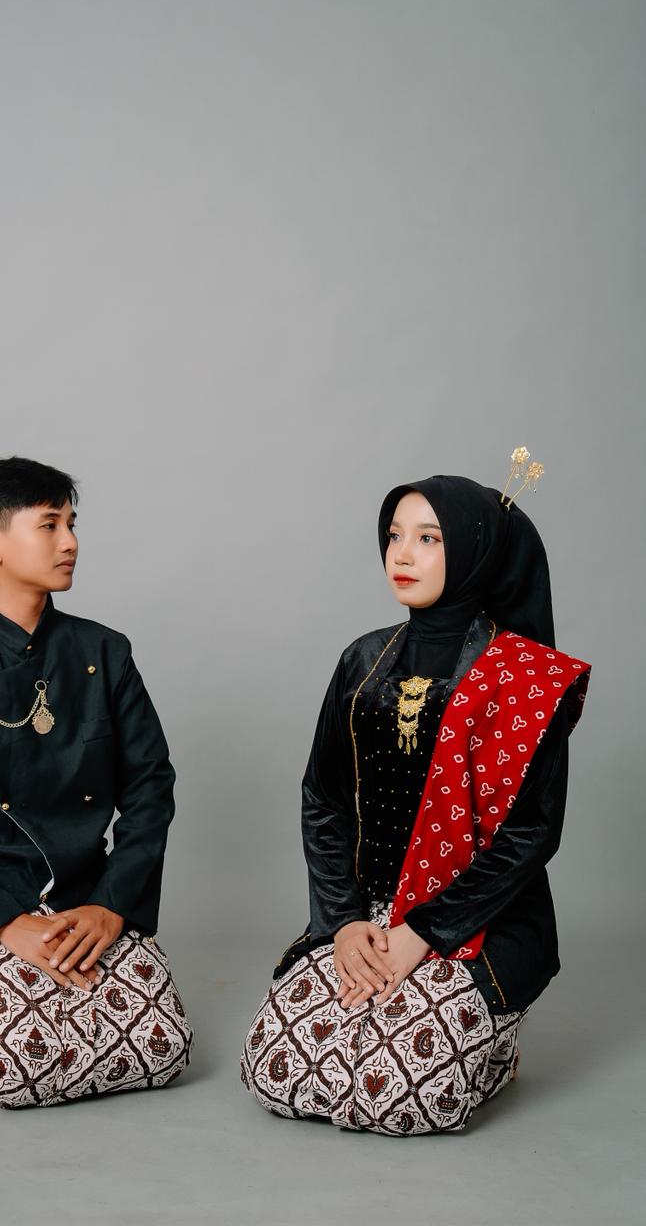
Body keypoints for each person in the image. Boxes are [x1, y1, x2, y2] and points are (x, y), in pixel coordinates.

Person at [240, 467, 590, 1136]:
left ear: (476, 549)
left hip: (475, 921)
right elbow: (324, 799)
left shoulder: (525, 677)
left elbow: (532, 834)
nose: (402, 554)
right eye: (394, 535)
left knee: (400, 1096)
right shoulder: (363, 659)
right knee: (276, 1068)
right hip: (368, 913)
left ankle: (494, 1049)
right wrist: (344, 924)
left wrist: (423, 932)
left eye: (429, 538)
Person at [0, 455, 192, 1108]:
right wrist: (3, 923)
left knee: (165, 1046)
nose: (70, 542)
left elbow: (150, 785)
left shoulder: (103, 652)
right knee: (21, 1070)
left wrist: (110, 905)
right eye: (49, 525)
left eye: (72, 524)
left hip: (82, 897)